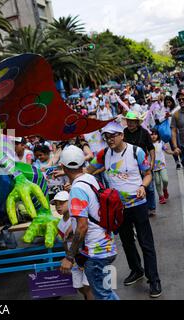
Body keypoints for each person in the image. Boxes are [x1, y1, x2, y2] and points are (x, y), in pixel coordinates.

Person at [88, 122, 162, 298]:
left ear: (122, 135)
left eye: (113, 135)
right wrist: (70, 175)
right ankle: (136, 270)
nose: (110, 139)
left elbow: (148, 173)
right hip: (117, 208)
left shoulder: (136, 151)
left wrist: (143, 186)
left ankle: (154, 280)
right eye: (107, 136)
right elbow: (87, 170)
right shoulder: (103, 154)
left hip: (138, 205)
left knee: (146, 243)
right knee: (127, 241)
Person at [58, 146, 119, 300]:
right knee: (107, 293)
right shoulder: (90, 179)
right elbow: (92, 211)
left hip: (96, 252)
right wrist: (73, 226)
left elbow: (83, 226)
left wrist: (69, 257)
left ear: (63, 167)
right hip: (106, 246)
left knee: (104, 296)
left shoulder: (77, 189)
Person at [54, 191, 94, 300]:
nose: (58, 206)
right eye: (56, 204)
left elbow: (86, 228)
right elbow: (64, 242)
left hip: (86, 255)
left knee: (88, 286)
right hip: (73, 258)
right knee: (78, 286)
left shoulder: (79, 217)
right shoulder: (60, 224)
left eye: (62, 203)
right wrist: (68, 257)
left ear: (70, 202)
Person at [123, 111, 157, 217]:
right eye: (128, 121)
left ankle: (151, 207)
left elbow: (151, 148)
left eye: (132, 121)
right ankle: (142, 208)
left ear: (137, 122)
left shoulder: (144, 132)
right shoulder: (124, 132)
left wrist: (152, 162)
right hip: (130, 165)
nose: (130, 123)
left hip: (144, 164)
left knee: (149, 187)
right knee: (135, 187)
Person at [150, 128, 173, 204]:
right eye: (151, 134)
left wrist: (173, 152)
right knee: (157, 182)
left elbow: (167, 150)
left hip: (162, 166)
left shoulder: (161, 143)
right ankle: (161, 196)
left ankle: (165, 189)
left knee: (165, 180)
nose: (153, 136)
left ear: (158, 135)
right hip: (154, 167)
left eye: (155, 134)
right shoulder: (149, 145)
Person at [164, 95, 182, 169]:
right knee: (173, 147)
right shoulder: (165, 109)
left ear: (172, 101)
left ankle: (182, 159)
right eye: (167, 103)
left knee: (179, 146)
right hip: (169, 131)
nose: (168, 104)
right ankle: (177, 162)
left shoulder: (177, 108)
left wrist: (170, 115)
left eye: (169, 102)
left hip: (177, 130)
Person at [171, 89, 184, 170]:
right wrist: (175, 147)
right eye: (179, 99)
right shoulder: (175, 115)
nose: (181, 101)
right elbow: (173, 131)